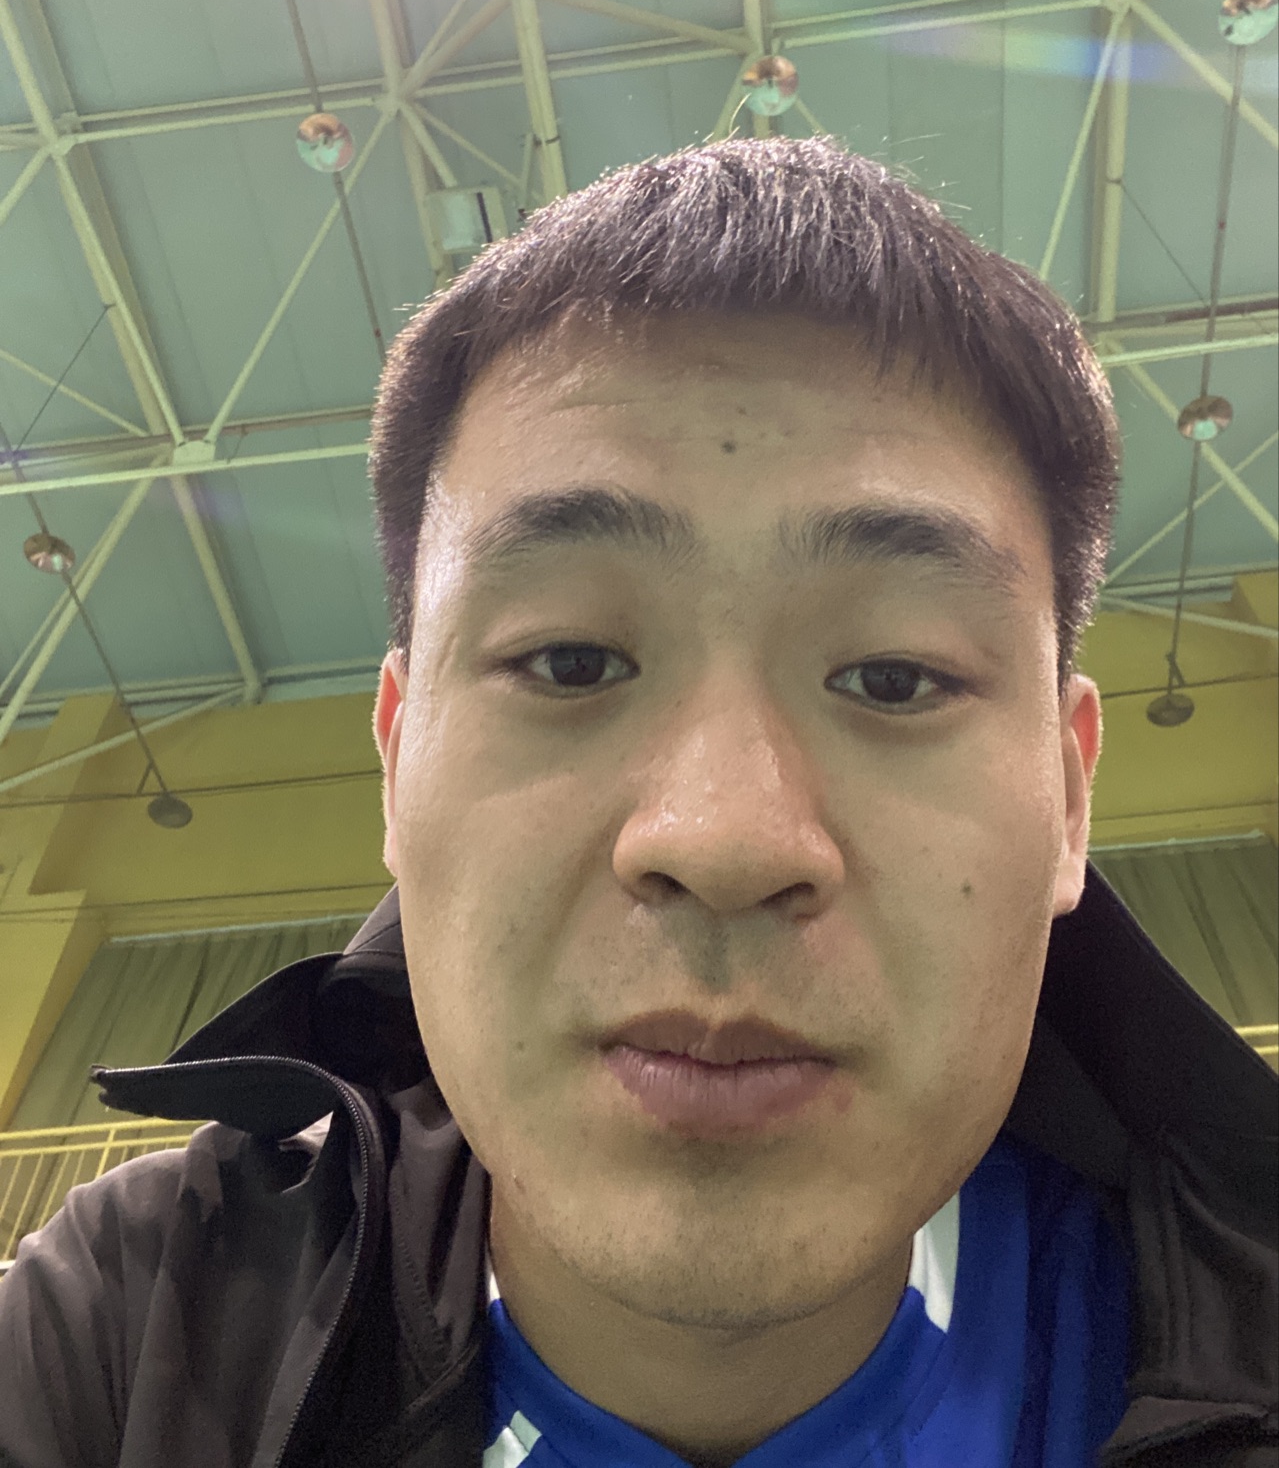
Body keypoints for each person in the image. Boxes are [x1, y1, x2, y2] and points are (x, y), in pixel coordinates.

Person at [0, 138, 1274, 1468]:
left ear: (1068, 798)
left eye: (894, 677)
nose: (724, 841)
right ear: (398, 758)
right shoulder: (129, 1335)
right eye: (569, 662)